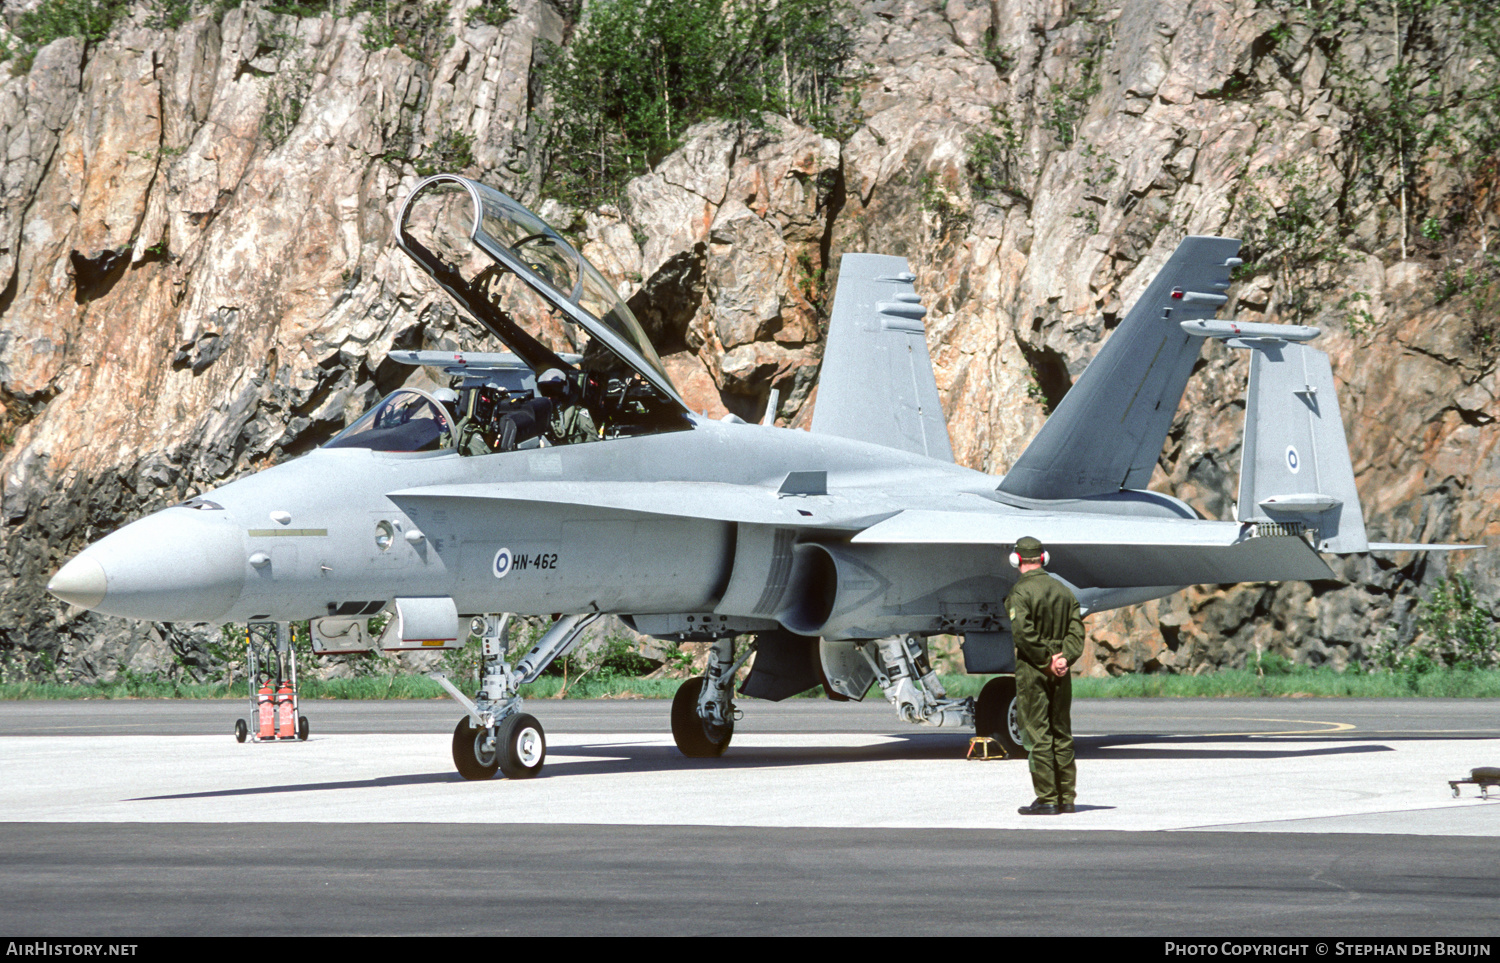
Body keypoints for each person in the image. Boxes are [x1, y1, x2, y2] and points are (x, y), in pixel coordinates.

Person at [1005, 536, 1085, 815]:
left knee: (1038, 733)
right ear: (1043, 558)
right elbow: (1077, 632)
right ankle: (1067, 798)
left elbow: (1024, 634)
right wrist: (1064, 658)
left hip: (1033, 669)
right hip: (1061, 669)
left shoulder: (1020, 593)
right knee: (1061, 732)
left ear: (1016, 560)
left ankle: (1048, 798)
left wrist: (1044, 660)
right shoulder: (1064, 591)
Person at [537, 368, 597, 445]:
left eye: (553, 391)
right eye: (545, 391)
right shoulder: (542, 414)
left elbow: (593, 438)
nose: (549, 397)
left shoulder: (578, 413)